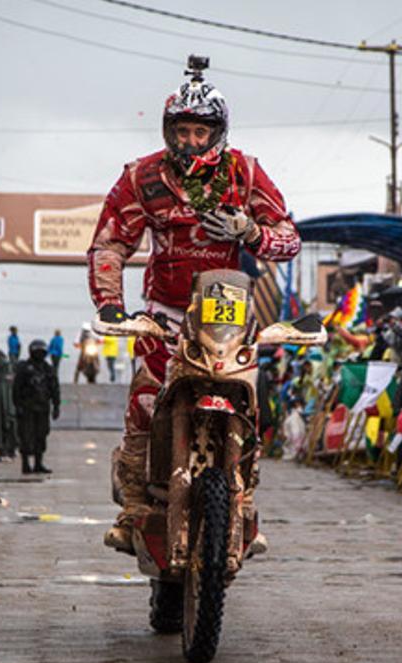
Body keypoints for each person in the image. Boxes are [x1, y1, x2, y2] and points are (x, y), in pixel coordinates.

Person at [88, 58, 300, 552]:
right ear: (167, 131)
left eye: (200, 132)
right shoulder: (142, 177)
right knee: (143, 404)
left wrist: (251, 232)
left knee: (248, 403)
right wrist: (111, 305)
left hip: (226, 315)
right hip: (162, 314)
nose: (190, 142)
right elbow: (109, 245)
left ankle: (243, 506)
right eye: (181, 131)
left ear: (218, 132)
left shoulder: (245, 173)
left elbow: (289, 239)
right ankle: (135, 508)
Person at [13, 339, 59, 475]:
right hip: (27, 408)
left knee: (41, 435)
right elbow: (16, 389)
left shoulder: (48, 369)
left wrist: (56, 406)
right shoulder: (24, 368)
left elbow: (55, 389)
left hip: (43, 408)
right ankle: (25, 464)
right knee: (26, 436)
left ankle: (38, 463)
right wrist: (17, 406)